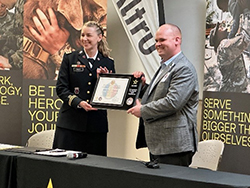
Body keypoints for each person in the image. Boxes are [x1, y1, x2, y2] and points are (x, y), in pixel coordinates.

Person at [127, 23, 199, 166]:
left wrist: (142, 110)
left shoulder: (184, 68)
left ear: (177, 40)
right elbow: (158, 95)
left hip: (174, 146)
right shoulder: (165, 66)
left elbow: (173, 102)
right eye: (156, 41)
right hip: (160, 144)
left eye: (162, 40)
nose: (158, 44)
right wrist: (142, 87)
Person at [53, 21, 115, 156]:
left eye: (89, 35)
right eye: (82, 35)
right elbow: (61, 88)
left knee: (94, 167)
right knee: (64, 165)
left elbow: (111, 95)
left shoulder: (108, 62)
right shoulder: (70, 58)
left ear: (99, 38)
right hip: (70, 123)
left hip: (96, 125)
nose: (84, 39)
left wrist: (104, 81)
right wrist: (78, 102)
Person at [0, 0, 23, 69]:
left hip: (10, 57)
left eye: (2, 6)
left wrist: (11, 61)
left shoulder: (15, 18)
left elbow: (19, 37)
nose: (0, 8)